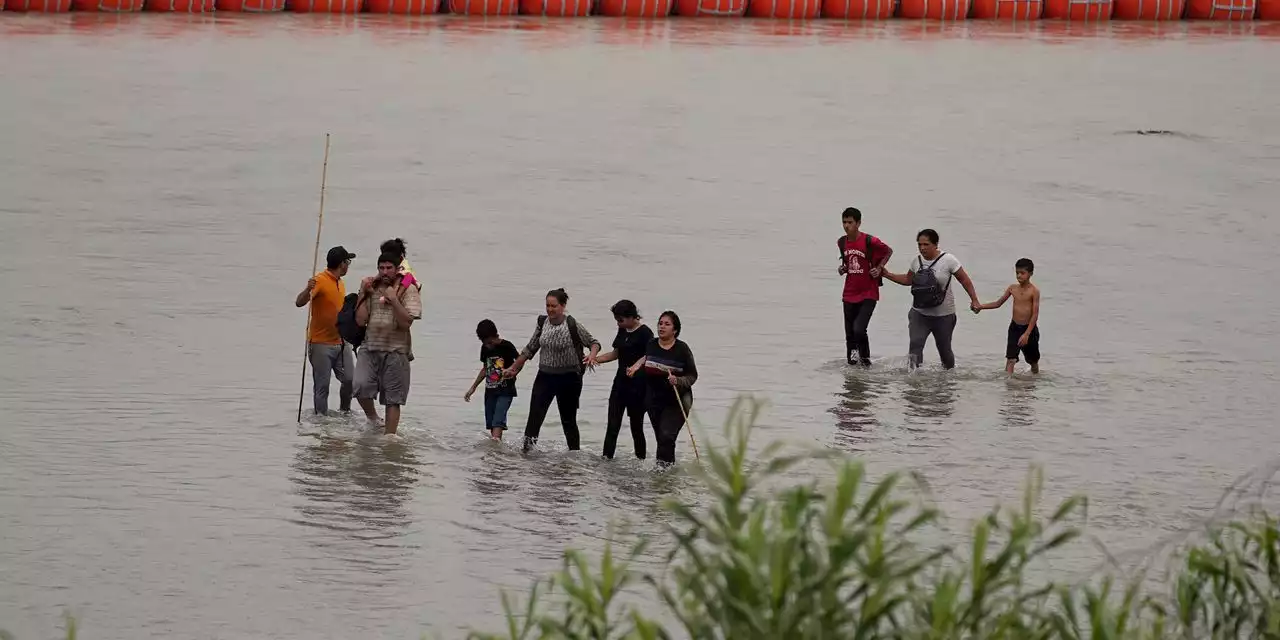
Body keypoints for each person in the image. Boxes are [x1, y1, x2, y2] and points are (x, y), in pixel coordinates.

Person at [503, 288, 601, 453]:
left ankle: (574, 456)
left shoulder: (572, 324)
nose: (549, 309)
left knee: (568, 420)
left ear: (563, 306)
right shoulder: (542, 323)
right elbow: (530, 349)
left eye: (553, 306)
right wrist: (513, 368)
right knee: (534, 417)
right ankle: (526, 454)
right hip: (545, 377)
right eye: (547, 305)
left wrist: (592, 355)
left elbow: (594, 342)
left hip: (569, 378)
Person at [882, 229, 981, 370]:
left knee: (944, 350)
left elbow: (964, 280)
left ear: (935, 244)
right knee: (915, 344)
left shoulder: (948, 260)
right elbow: (908, 280)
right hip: (919, 313)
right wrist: (887, 275)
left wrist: (974, 300)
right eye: (919, 244)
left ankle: (949, 380)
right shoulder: (916, 261)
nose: (922, 248)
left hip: (944, 315)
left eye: (926, 244)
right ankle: (914, 380)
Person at [353, 252, 423, 436]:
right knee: (359, 386)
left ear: (397, 268)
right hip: (370, 346)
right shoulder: (372, 287)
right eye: (381, 268)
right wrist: (362, 291)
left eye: (388, 268)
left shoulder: (409, 289)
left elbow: (406, 322)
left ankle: (389, 438)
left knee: (393, 400)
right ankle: (374, 419)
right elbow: (360, 321)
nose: (384, 272)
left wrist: (394, 300)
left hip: (397, 350)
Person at [626, 310, 697, 467]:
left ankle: (663, 472)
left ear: (675, 330)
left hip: (677, 399)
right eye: (660, 323)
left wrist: (678, 380)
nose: (662, 327)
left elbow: (692, 376)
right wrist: (636, 366)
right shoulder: (651, 344)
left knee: (666, 435)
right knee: (662, 438)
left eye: (667, 324)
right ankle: (665, 473)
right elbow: (647, 357)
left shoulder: (682, 349)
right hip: (654, 398)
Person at [294, 246, 356, 416]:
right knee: (322, 387)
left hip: (342, 342)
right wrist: (308, 289)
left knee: (350, 380)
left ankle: (345, 412)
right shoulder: (320, 280)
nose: (348, 265)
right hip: (320, 343)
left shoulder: (340, 282)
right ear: (341, 264)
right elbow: (299, 302)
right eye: (348, 261)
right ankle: (321, 420)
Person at [594, 300, 654, 460]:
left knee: (636, 427)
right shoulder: (622, 330)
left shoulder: (645, 333)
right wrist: (595, 360)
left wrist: (636, 366)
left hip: (638, 386)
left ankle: (641, 462)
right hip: (620, 384)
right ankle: (606, 461)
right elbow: (616, 353)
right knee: (612, 425)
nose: (618, 323)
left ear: (632, 316)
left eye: (620, 319)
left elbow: (651, 355)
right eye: (616, 320)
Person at [836, 207, 893, 367]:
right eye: (844, 222)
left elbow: (888, 251)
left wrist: (880, 267)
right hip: (849, 293)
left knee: (859, 330)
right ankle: (853, 369)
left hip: (868, 292)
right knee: (850, 334)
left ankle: (866, 363)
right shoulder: (841, 242)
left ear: (858, 223)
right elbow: (848, 263)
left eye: (850, 222)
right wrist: (843, 268)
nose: (847, 226)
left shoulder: (870, 241)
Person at [976, 258, 1041, 374]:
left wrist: (1027, 334)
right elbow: (998, 303)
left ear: (1030, 274)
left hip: (1029, 329)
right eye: (1017, 273)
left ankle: (1034, 383)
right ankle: (1009, 386)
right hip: (1015, 328)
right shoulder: (1012, 288)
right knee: (1011, 359)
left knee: (1033, 361)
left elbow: (1035, 315)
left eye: (1022, 273)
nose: (1019, 276)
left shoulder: (1034, 291)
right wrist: (981, 307)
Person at [465, 319, 521, 441]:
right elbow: (485, 369)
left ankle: (495, 449)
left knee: (498, 422)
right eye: (485, 343)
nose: (488, 345)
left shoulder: (507, 346)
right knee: (491, 423)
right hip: (490, 391)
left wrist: (513, 371)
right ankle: (495, 453)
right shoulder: (484, 349)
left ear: (495, 335)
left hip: (506, 390)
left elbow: (520, 361)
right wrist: (473, 387)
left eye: (490, 342)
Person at [380, 238, 420, 361]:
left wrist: (395, 296)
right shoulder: (397, 264)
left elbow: (405, 280)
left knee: (404, 324)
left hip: (408, 287)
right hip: (401, 286)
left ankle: (408, 350)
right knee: (403, 327)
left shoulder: (403, 266)